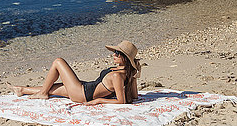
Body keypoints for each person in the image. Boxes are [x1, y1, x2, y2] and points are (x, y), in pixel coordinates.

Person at [8, 41, 141, 105]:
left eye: (117, 53)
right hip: (85, 88)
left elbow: (121, 101)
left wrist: (98, 100)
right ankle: (21, 90)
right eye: (114, 52)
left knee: (58, 62)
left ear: (125, 58)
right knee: (52, 89)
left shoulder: (117, 76)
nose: (114, 54)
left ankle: (42, 94)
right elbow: (134, 97)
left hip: (83, 94)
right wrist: (135, 76)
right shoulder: (126, 73)